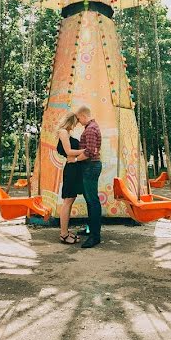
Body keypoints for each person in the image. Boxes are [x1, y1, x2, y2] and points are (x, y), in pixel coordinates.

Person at [73, 105, 102, 248]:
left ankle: (95, 236)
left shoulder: (90, 129)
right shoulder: (92, 127)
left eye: (79, 119)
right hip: (91, 166)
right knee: (90, 200)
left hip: (90, 166)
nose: (78, 121)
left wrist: (75, 159)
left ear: (84, 116)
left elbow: (90, 151)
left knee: (93, 202)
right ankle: (91, 230)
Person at [56, 112, 84, 244]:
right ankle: (63, 234)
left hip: (74, 168)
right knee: (68, 201)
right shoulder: (63, 132)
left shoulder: (67, 133)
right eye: (76, 122)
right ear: (71, 121)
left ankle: (65, 231)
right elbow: (68, 152)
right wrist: (86, 151)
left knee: (70, 200)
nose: (76, 124)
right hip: (71, 169)